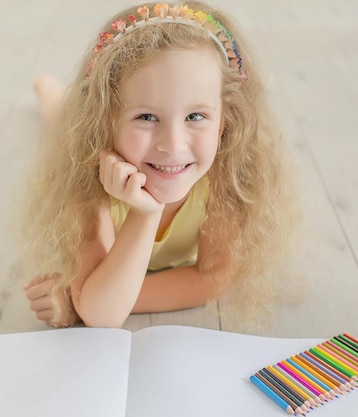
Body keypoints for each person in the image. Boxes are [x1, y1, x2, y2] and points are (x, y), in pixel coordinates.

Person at [19, 1, 300, 328]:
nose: (173, 145)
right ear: (105, 121)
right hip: (76, 126)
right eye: (147, 116)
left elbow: (209, 280)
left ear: (224, 121)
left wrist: (79, 298)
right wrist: (145, 212)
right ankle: (46, 88)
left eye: (195, 116)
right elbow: (102, 314)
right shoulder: (89, 179)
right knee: (60, 117)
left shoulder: (228, 177)